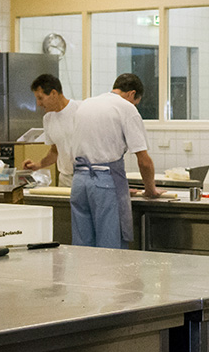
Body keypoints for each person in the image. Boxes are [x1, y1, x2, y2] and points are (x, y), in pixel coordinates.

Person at [70, 73, 160, 248]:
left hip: (79, 182)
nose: (135, 106)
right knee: (110, 249)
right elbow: (144, 161)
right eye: (136, 102)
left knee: (82, 248)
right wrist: (150, 190)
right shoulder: (126, 107)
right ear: (132, 94)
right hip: (105, 183)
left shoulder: (86, 104)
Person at [22, 73, 79, 187]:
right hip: (65, 179)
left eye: (40, 98)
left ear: (53, 93)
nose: (38, 104)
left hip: (86, 177)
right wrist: (38, 165)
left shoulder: (80, 110)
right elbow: (55, 151)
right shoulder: (48, 118)